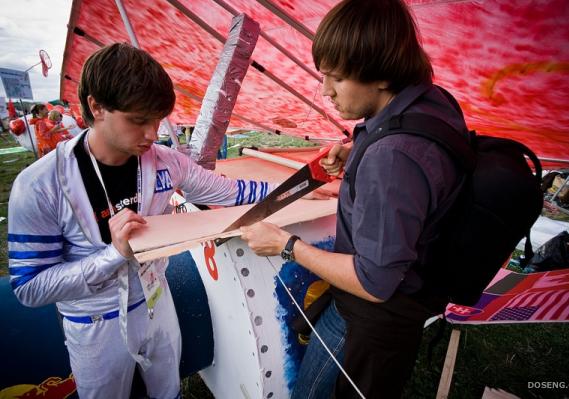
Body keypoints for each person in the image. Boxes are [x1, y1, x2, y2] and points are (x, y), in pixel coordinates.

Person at [8, 43, 277, 398]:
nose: (152, 134)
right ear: (96, 107)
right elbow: (29, 287)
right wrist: (114, 255)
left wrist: (300, 186)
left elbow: (228, 191)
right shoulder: (39, 185)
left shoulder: (166, 161)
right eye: (138, 121)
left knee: (167, 389)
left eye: (157, 119)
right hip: (93, 322)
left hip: (156, 297)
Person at [239, 0, 469, 397]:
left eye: (337, 78)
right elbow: (414, 159)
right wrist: (358, 149)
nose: (326, 91)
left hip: (372, 316)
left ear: (381, 75)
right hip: (412, 296)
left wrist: (287, 245)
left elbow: (374, 282)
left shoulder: (392, 156)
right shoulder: (431, 101)